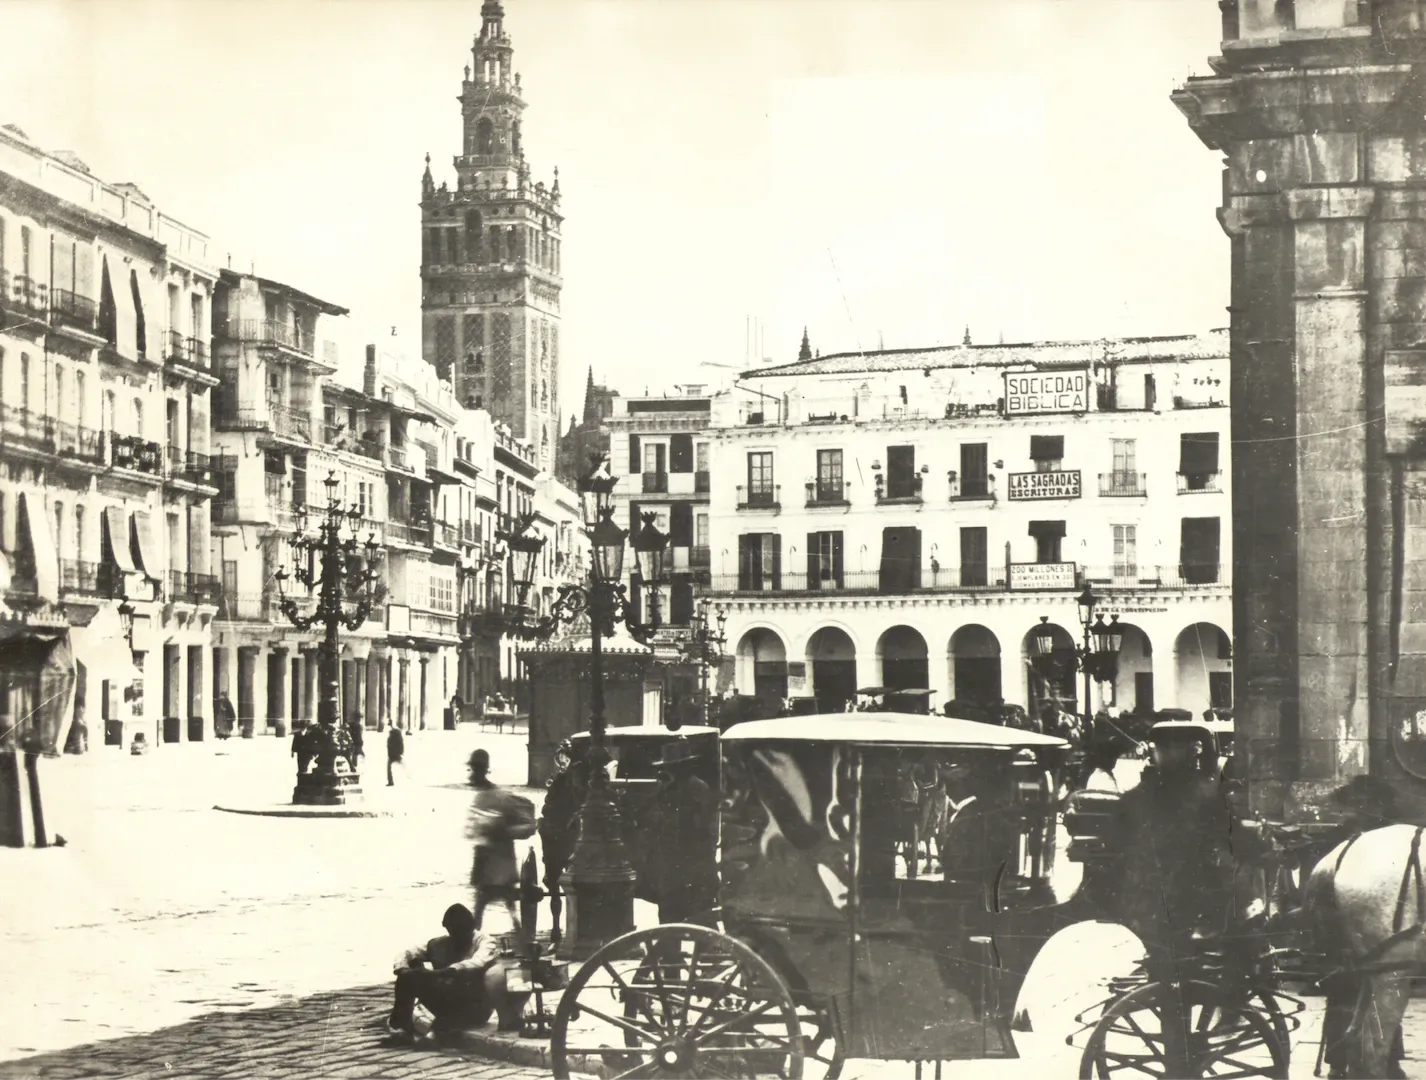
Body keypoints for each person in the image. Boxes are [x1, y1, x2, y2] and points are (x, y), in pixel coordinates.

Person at [388, 903, 529, 1040]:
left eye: (461, 931)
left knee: (460, 976)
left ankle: (438, 1029)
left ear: (471, 928)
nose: (457, 935)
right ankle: (402, 1029)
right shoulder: (439, 943)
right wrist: (403, 969)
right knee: (407, 977)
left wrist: (441, 972)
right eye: (452, 931)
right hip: (445, 999)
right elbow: (406, 953)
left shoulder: (485, 941)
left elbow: (477, 962)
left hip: (474, 1007)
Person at [642, 738, 719, 925]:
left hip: (694, 860)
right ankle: (671, 952)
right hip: (671, 862)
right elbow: (654, 821)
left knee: (702, 912)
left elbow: (707, 825)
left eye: (675, 766)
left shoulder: (698, 788)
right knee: (670, 912)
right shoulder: (666, 790)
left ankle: (707, 951)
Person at [466, 748, 535, 930]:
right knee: (493, 910)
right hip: (485, 862)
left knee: (503, 910)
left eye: (475, 770)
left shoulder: (500, 797)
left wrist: (500, 830)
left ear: (483, 771)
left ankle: (523, 944)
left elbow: (527, 825)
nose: (471, 775)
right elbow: (471, 831)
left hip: (501, 865)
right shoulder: (480, 798)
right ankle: (522, 942)